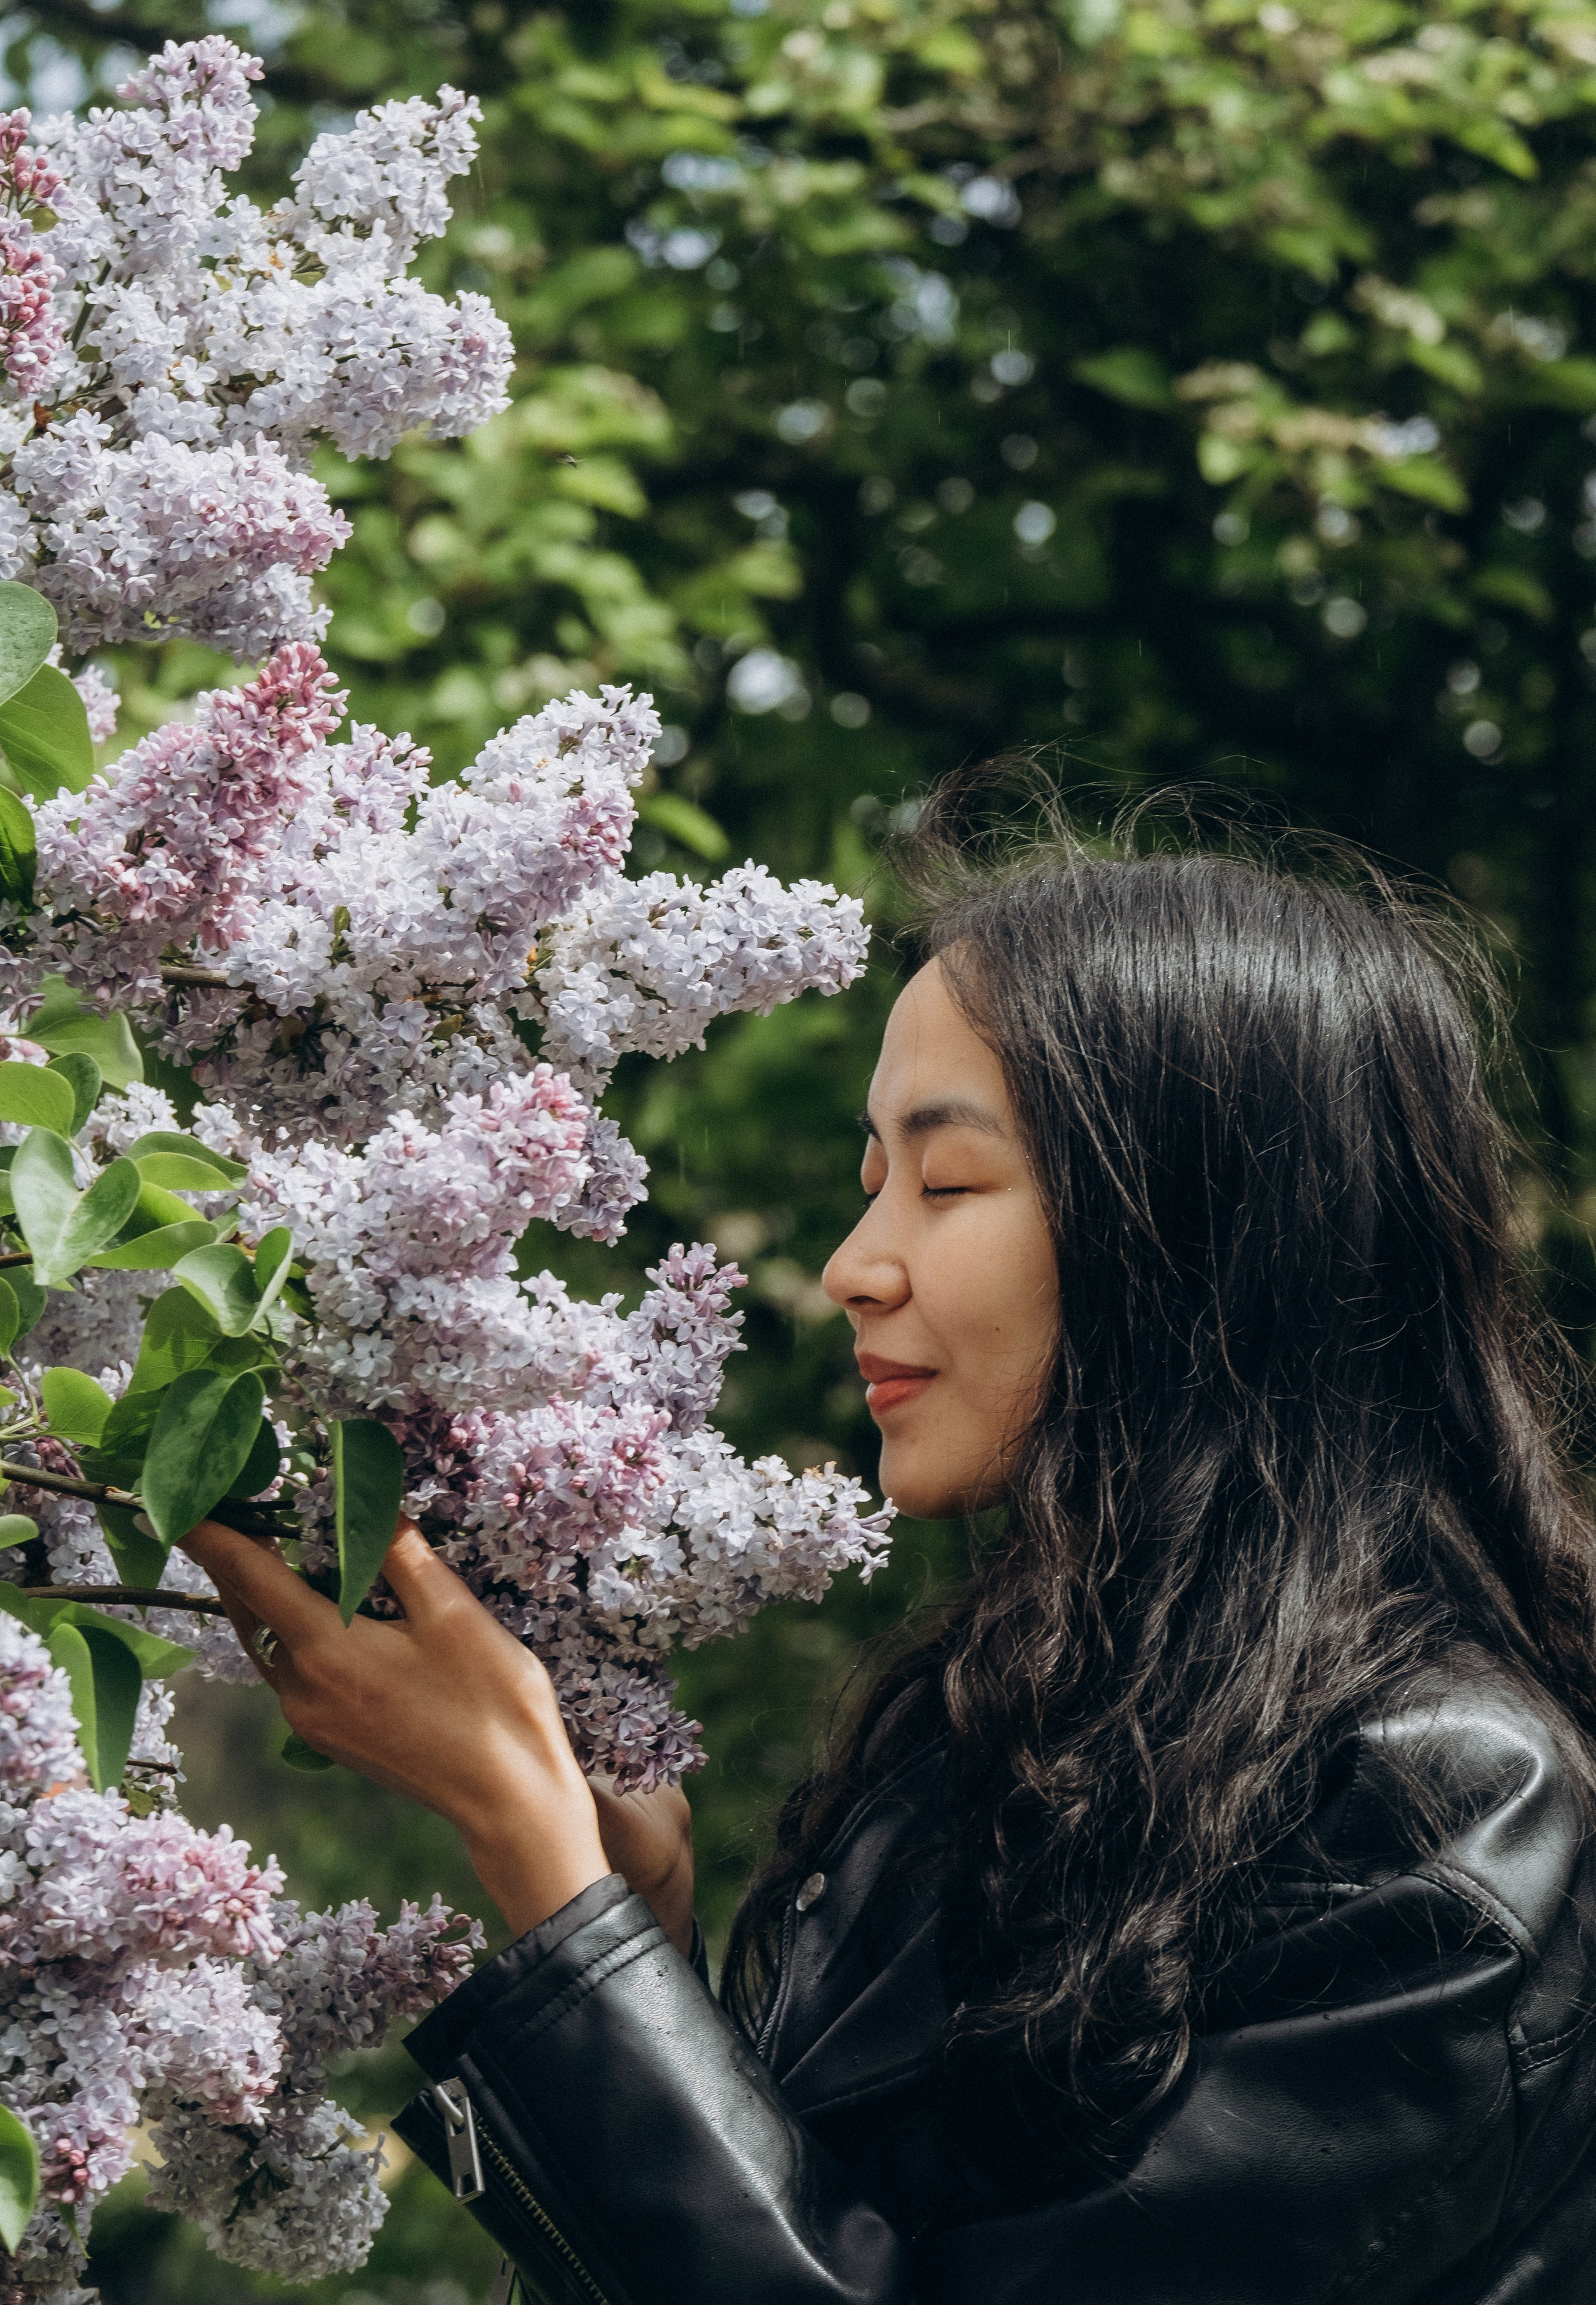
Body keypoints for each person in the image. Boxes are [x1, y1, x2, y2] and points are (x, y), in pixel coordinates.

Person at [188, 828, 1596, 2305]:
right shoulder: (1013, 1728)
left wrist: (532, 1854)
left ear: (1190, 1236)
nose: (856, 1264)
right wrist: (638, 1926)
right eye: (874, 1184)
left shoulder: (1434, 1811)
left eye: (947, 1184)